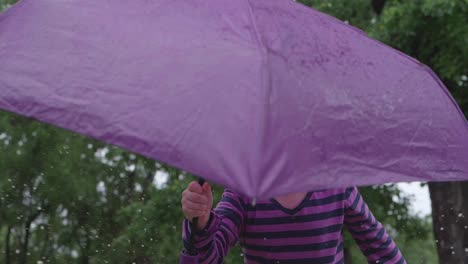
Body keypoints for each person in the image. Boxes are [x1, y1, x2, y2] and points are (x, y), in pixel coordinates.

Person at [180, 181, 406, 264]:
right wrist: (201, 221)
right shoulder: (243, 193)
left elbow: (380, 248)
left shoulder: (337, 186)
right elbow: (207, 257)